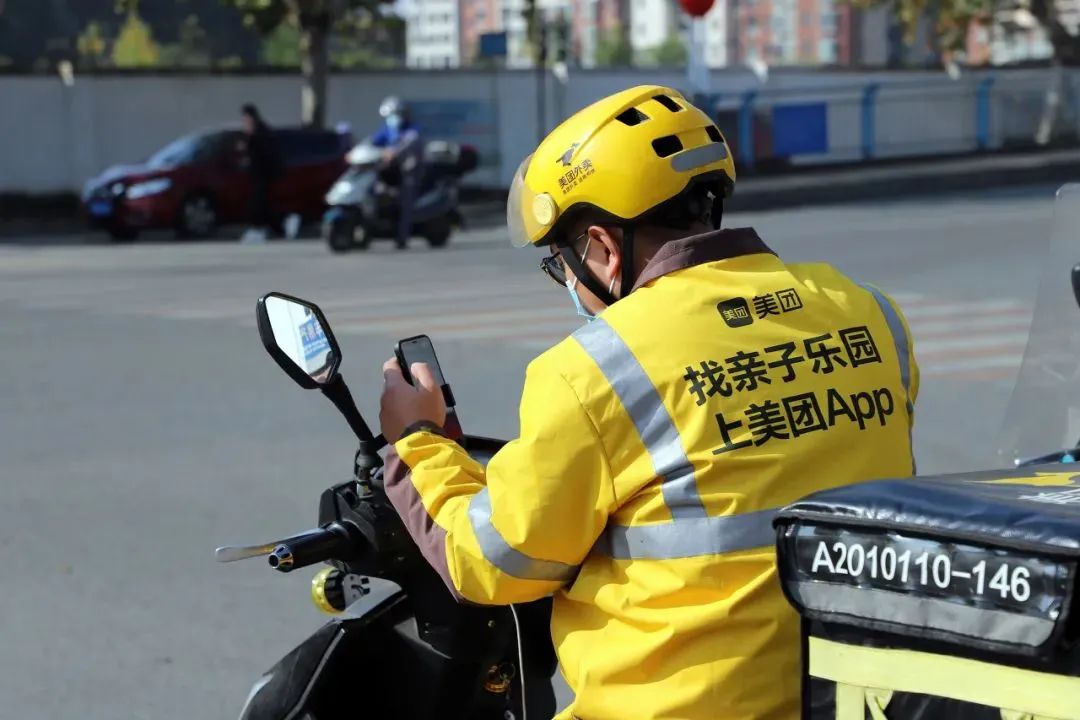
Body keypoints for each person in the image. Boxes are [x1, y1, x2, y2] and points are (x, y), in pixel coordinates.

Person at [378, 85, 920, 719]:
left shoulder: (594, 368)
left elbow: (496, 562)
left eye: (560, 263)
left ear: (603, 249)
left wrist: (417, 444)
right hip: (860, 701)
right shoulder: (870, 311)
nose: (568, 281)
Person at [370, 96, 423, 249]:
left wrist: (394, 152)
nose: (393, 118)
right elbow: (373, 142)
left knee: (405, 202)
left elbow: (409, 143)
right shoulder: (388, 129)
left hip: (408, 172)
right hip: (389, 171)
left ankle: (402, 237)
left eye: (396, 114)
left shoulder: (412, 130)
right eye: (390, 115)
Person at [240, 103, 283, 241]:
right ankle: (275, 228)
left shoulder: (260, 131)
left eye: (246, 117)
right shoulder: (255, 130)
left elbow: (263, 152)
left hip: (263, 173)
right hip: (258, 174)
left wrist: (249, 141)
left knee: (260, 203)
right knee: (262, 203)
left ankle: (268, 228)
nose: (245, 120)